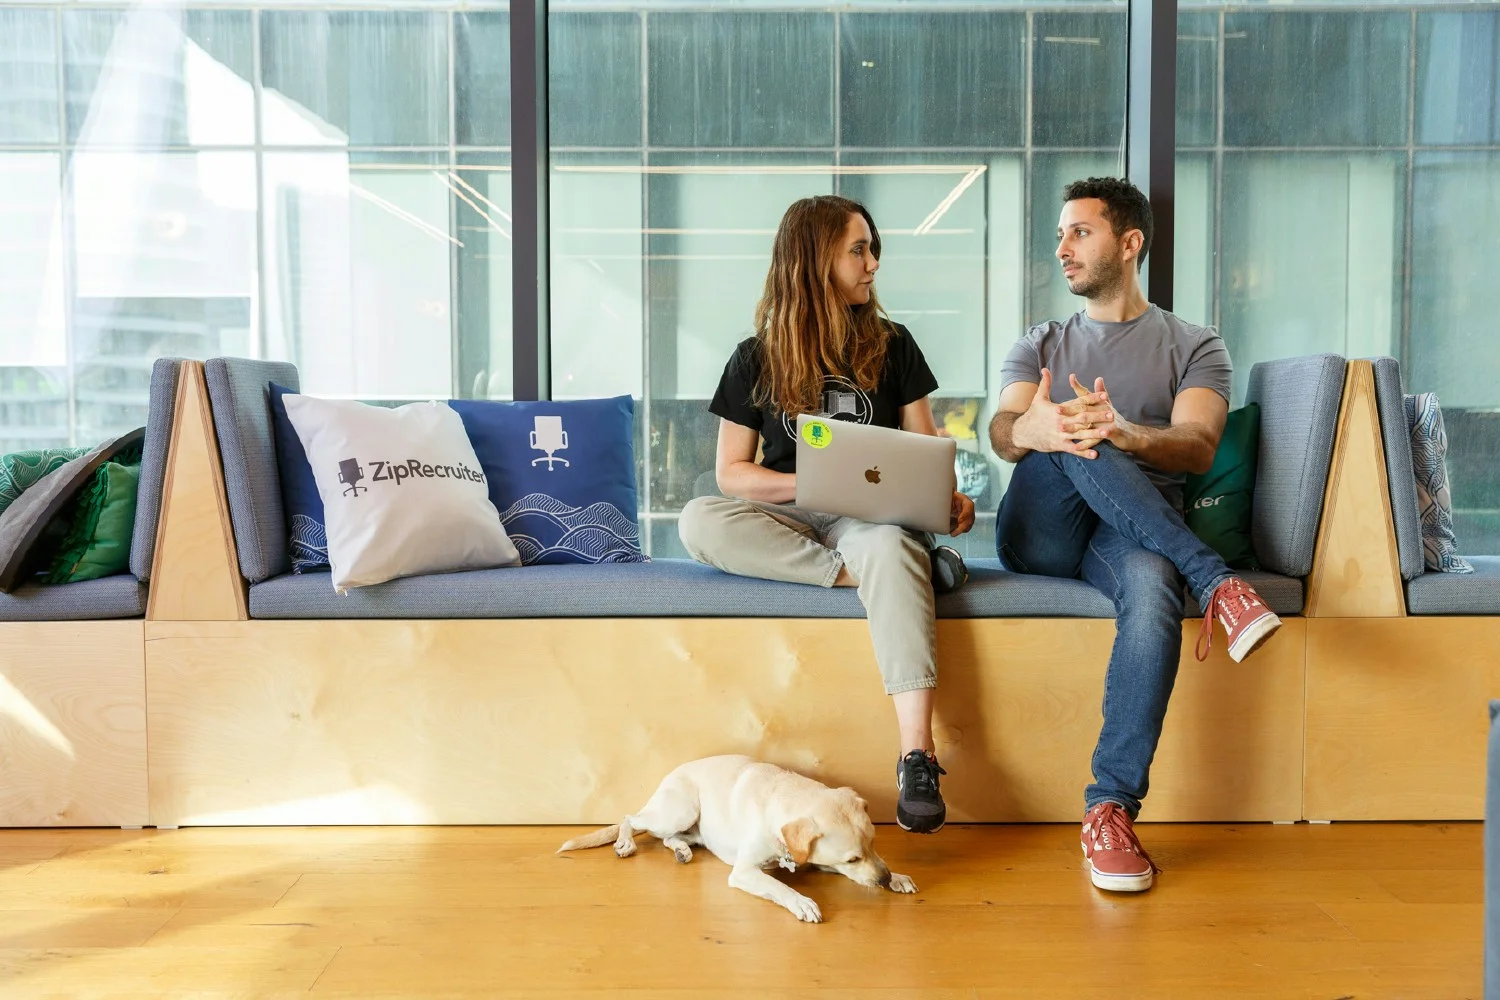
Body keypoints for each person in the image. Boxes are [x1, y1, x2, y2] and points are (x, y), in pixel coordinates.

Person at [988, 177, 1282, 891]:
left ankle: (1111, 809)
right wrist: (1038, 427)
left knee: (1152, 591)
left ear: (1129, 243)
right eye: (1060, 235)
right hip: (1042, 529)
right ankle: (1218, 582)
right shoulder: (1043, 341)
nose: (1062, 248)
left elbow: (1198, 446)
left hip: (1132, 537)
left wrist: (1125, 431)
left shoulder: (1195, 344)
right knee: (1073, 434)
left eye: (1079, 232)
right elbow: (1002, 433)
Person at [678, 194, 977, 834]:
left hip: (870, 519)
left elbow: (928, 452)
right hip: (794, 515)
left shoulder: (894, 345)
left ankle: (917, 756)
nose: (873, 263)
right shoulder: (754, 357)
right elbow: (733, 473)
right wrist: (809, 483)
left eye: (873, 249)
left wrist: (945, 498)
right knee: (699, 520)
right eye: (858, 250)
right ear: (815, 260)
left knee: (889, 544)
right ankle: (903, 572)